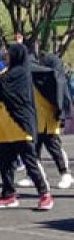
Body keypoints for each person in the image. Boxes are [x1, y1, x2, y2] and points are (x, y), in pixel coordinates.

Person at [0, 35, 53, 210]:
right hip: (5, 124)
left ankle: (45, 194)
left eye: (8, 54)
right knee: (5, 163)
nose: (5, 56)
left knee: (30, 162)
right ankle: (8, 194)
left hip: (20, 125)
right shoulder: (9, 71)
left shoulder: (20, 73)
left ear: (16, 56)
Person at [30, 51, 73, 189]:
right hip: (36, 120)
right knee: (33, 150)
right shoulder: (34, 77)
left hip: (49, 119)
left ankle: (65, 173)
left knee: (54, 148)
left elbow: (63, 100)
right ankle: (34, 176)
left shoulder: (53, 81)